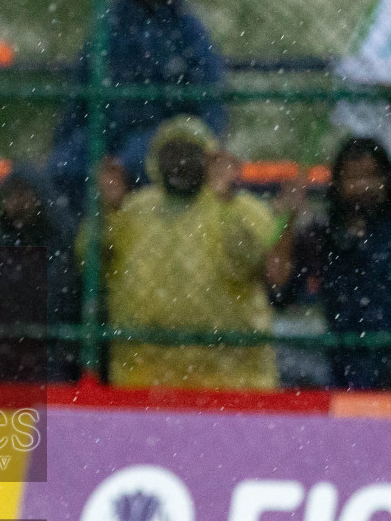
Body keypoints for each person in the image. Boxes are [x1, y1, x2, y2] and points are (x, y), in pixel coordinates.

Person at [100, 116, 290, 390]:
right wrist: (108, 210)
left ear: (209, 158)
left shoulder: (241, 208)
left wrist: (223, 199)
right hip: (143, 383)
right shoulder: (132, 210)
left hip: (233, 383)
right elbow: (90, 262)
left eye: (190, 154)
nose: (180, 162)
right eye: (171, 154)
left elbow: (264, 267)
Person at [49, 0, 225, 212]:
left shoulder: (188, 30)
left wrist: (209, 143)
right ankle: (80, 245)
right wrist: (65, 140)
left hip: (164, 133)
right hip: (106, 131)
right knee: (64, 166)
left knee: (132, 164)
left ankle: (119, 231)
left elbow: (211, 98)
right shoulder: (111, 26)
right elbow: (80, 94)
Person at [283, 107, 391, 390]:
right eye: (352, 178)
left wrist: (387, 82)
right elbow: (278, 286)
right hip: (344, 373)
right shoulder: (322, 235)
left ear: (387, 180)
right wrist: (288, 218)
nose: (363, 186)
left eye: (372, 176)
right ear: (337, 183)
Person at [0, 165, 82, 383]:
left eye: (23, 194)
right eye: (9, 196)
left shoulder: (66, 245)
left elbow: (71, 304)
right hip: (7, 366)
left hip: (54, 365)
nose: (15, 204)